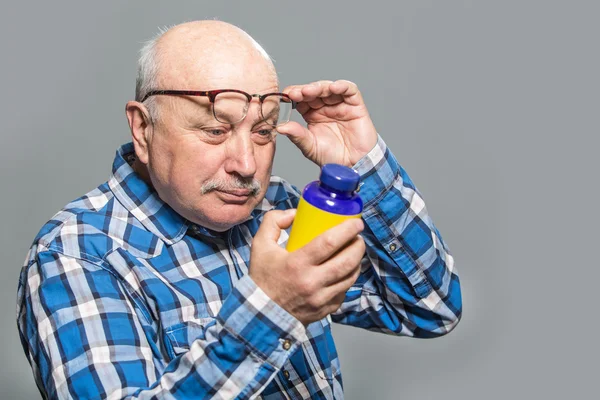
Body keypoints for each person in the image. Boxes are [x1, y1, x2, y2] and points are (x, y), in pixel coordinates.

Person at [16, 20, 462, 400]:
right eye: (214, 130)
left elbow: (430, 307)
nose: (247, 165)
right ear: (143, 127)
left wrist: (362, 164)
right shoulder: (77, 253)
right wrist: (270, 308)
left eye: (264, 131)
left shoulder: (283, 212)